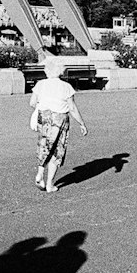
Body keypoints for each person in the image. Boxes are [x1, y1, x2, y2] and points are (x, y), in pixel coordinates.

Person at [30, 60, 87, 193]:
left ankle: (40, 172)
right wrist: (82, 123)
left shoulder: (40, 84)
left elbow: (32, 102)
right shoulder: (66, 86)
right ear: (61, 71)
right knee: (57, 149)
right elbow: (72, 108)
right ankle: (49, 184)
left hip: (44, 117)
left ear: (47, 71)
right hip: (59, 119)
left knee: (43, 144)